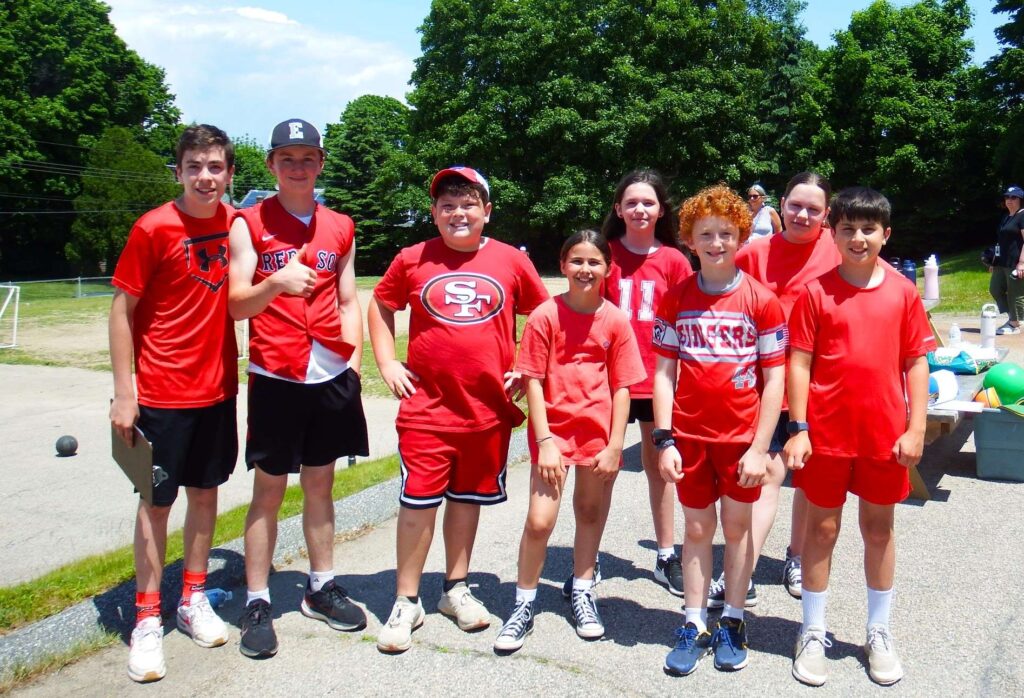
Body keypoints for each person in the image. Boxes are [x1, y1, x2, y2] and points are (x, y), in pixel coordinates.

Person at [370, 166, 549, 653]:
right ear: (433, 213)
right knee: (418, 504)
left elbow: (543, 314)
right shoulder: (413, 258)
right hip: (428, 409)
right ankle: (406, 599)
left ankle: (455, 588)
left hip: (486, 411)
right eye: (447, 205)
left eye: (468, 203)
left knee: (466, 501)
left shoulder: (511, 260)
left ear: (486, 210)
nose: (458, 213)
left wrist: (525, 365)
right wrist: (386, 360)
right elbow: (381, 305)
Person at [228, 118, 369, 659]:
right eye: (286, 157)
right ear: (270, 164)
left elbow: (350, 298)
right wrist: (273, 283)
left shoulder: (340, 225)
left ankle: (320, 587)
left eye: (307, 156)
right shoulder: (249, 222)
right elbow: (237, 304)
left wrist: (352, 363)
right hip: (276, 375)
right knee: (268, 491)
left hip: (330, 374)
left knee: (321, 485)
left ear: (321, 162)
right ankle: (258, 600)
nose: (297, 166)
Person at [786, 187, 935, 687]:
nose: (857, 238)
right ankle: (812, 629)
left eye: (868, 229)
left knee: (879, 530)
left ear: (885, 235)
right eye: (847, 228)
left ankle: (878, 630)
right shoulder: (814, 293)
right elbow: (799, 363)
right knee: (821, 531)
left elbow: (916, 361)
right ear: (833, 233)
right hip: (824, 436)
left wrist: (916, 427)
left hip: (884, 437)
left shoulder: (902, 291)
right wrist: (799, 427)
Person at [110, 124, 238, 683]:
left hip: (217, 391)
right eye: (194, 166)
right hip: (161, 393)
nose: (205, 176)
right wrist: (124, 391)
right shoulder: (153, 227)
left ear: (230, 173)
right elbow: (121, 312)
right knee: (155, 505)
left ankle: (192, 596)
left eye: (215, 166)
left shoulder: (236, 224)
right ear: (178, 172)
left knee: (206, 495)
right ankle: (145, 616)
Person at [654, 184, 786, 675]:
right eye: (706, 234)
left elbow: (774, 380)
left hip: (740, 441)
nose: (716, 243)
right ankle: (694, 620)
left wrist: (758, 448)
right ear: (689, 238)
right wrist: (663, 438)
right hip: (688, 437)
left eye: (726, 233)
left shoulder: (762, 300)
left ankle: (732, 618)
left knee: (736, 529)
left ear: (740, 236)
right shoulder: (675, 298)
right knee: (694, 529)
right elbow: (664, 372)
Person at [493, 230, 645, 652]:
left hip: (598, 435)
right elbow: (534, 381)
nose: (585, 269)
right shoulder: (546, 315)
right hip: (554, 436)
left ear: (607, 269)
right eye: (576, 261)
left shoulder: (614, 319)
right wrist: (543, 441)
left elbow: (622, 387)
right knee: (540, 522)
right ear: (562, 265)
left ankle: (582, 589)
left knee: (590, 512)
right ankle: (523, 604)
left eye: (594, 262)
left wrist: (616, 444)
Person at [707, 172, 840, 610]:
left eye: (814, 209)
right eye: (796, 205)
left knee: (809, 477)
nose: (803, 215)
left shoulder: (839, 251)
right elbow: (720, 298)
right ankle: (737, 572)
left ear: (826, 214)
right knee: (767, 473)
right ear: (781, 205)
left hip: (820, 382)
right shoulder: (755, 253)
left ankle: (796, 557)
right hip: (760, 383)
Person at [598, 169, 693, 597]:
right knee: (603, 470)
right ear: (618, 208)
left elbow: (685, 322)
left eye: (648, 202)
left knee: (661, 469)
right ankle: (588, 556)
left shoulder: (673, 260)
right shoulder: (604, 255)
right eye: (631, 202)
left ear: (660, 210)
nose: (639, 209)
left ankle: (666, 554)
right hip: (610, 380)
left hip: (658, 379)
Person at [989, 185, 1024, 335]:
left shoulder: (1023, 216)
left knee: (1015, 293)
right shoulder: (1006, 217)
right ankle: (1012, 318)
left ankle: (1015, 324)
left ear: (1020, 200)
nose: (1009, 200)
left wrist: (1022, 263)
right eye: (1007, 197)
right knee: (995, 288)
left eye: (1013, 197)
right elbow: (1001, 242)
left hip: (1015, 263)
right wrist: (993, 261)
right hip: (1001, 262)